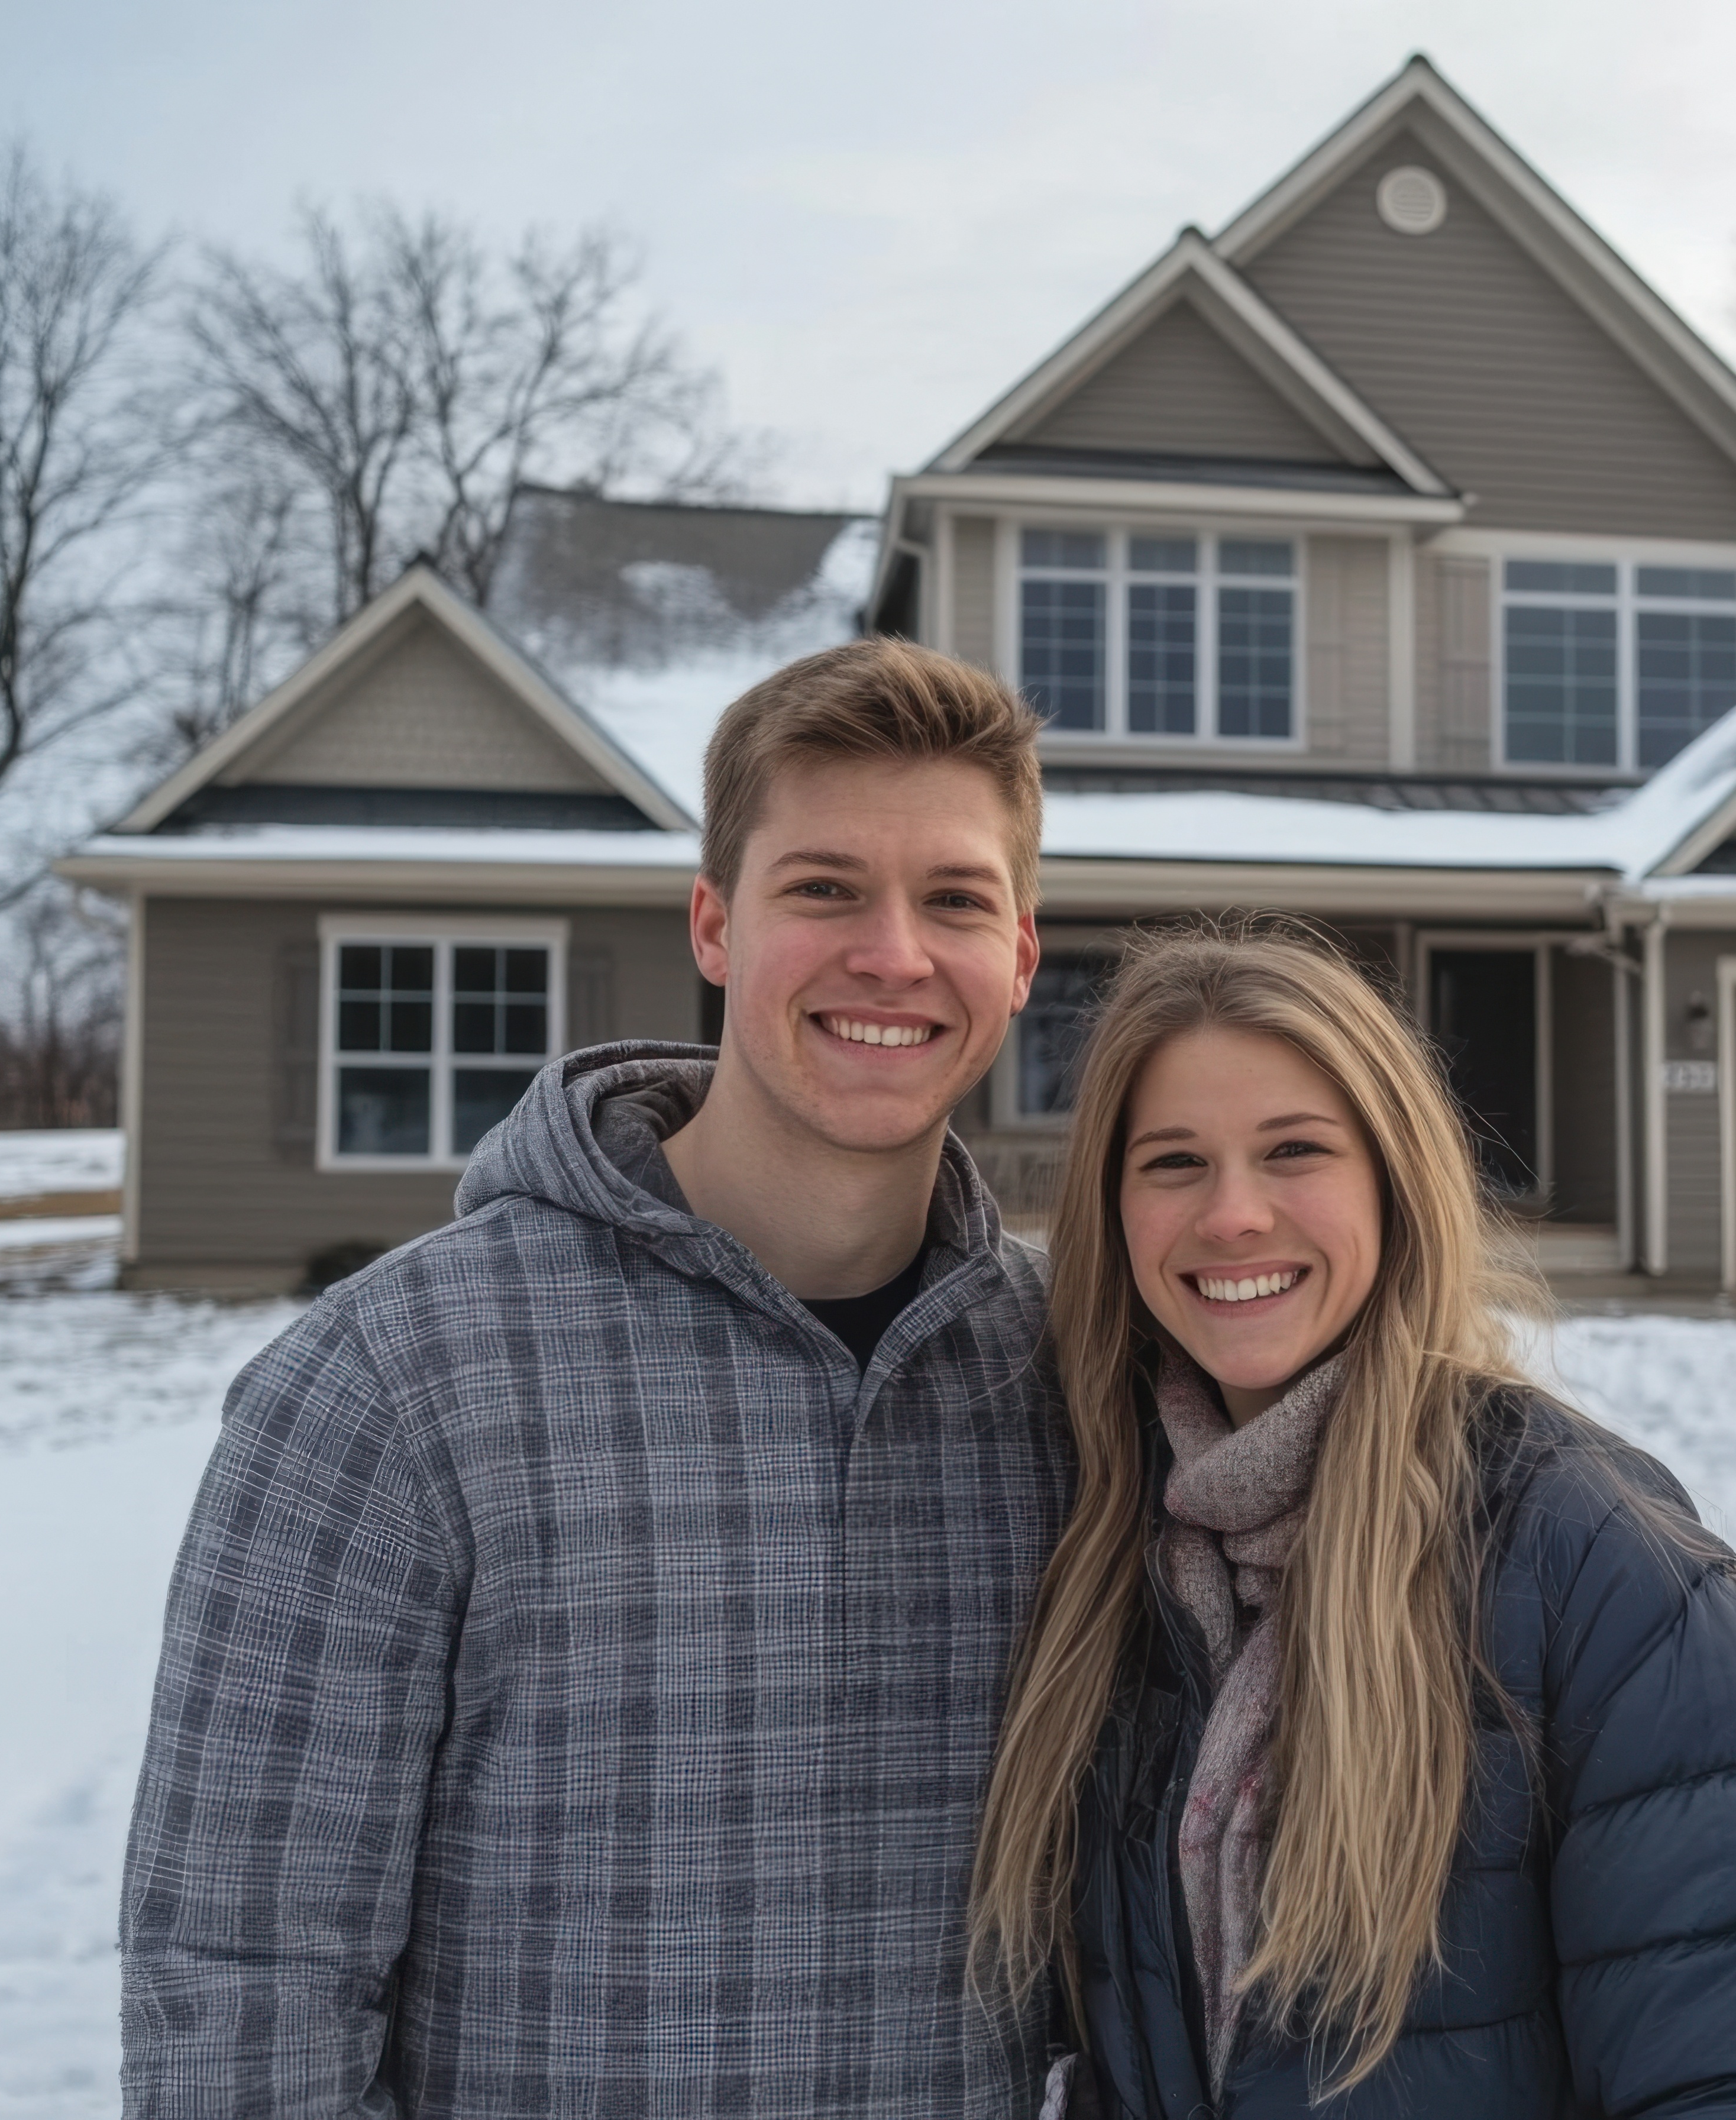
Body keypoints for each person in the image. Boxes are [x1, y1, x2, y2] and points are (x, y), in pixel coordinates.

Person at [122, 640, 1070, 2117]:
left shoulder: (1073, 1375)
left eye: (955, 898)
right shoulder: (388, 1383)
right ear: (713, 923)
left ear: (1019, 955)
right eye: (822, 887)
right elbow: (242, 1987)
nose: (894, 952)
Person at [972, 925, 1736, 2118]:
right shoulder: (1112, 1564)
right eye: (1174, 1163)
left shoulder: (1611, 1578)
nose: (1235, 1215)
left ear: (1393, 1175)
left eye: (1295, 1149)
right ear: (1114, 1208)